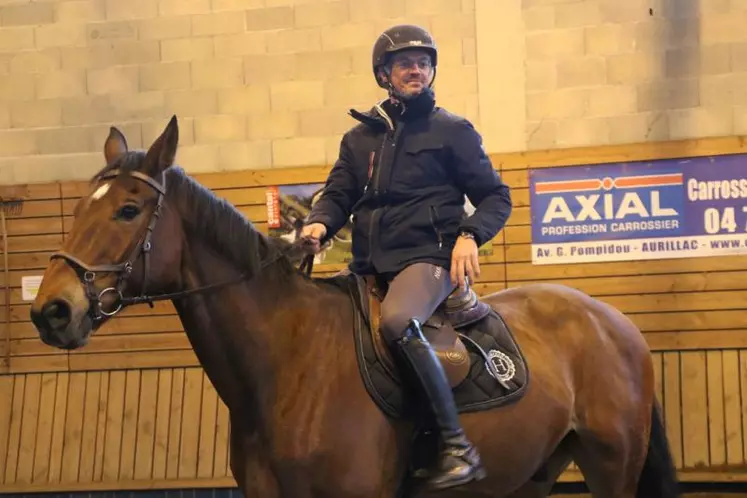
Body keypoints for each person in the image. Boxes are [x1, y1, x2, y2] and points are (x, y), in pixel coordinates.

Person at [301, 24, 512, 491]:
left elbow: (497, 196)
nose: (415, 70)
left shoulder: (453, 131)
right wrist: (319, 222)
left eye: (422, 63)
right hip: (369, 264)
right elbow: (338, 193)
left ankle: (457, 445)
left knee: (397, 321)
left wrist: (470, 236)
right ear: (384, 75)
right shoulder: (359, 139)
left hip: (429, 258)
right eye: (404, 64)